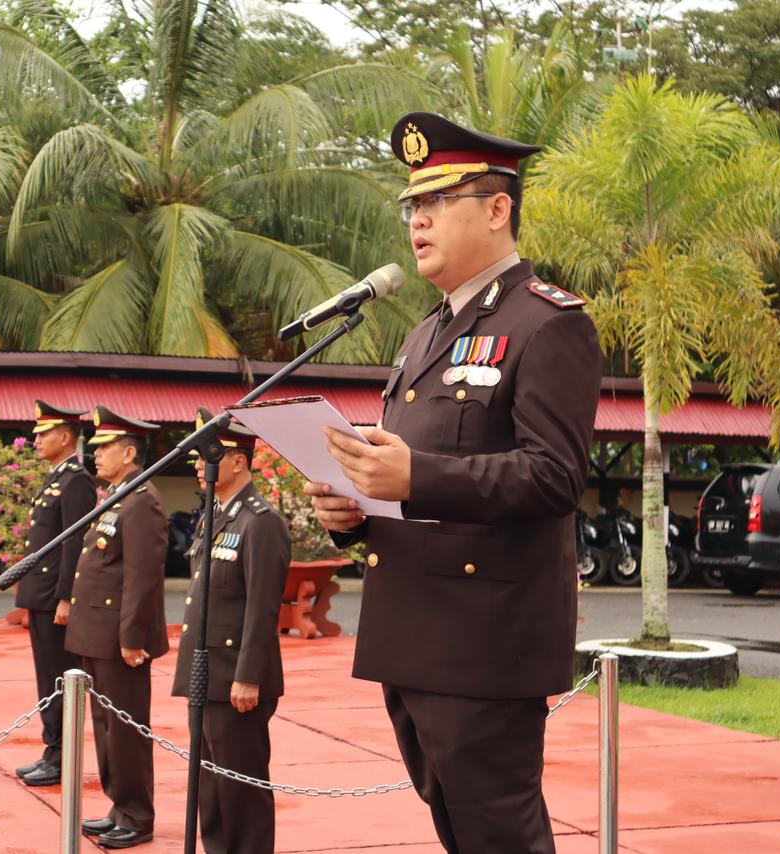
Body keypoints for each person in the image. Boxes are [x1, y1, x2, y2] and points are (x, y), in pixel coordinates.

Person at [305, 112, 602, 853]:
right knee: (461, 835)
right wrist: (357, 509)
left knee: (501, 837)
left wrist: (414, 475)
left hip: (484, 642)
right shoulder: (425, 332)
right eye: (412, 205)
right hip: (413, 633)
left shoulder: (548, 324)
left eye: (439, 200)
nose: (419, 219)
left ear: (498, 209)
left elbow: (554, 476)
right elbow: (415, 480)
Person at [172, 408, 290, 854]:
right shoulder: (215, 516)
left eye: (206, 457)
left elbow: (262, 609)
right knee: (211, 787)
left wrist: (249, 676)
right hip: (206, 674)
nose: (200, 465)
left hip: (236, 678)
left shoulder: (261, 522)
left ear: (238, 460)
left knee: (241, 788)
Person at [67, 405, 169, 850]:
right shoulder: (115, 494)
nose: (95, 455)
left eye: (104, 447)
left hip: (118, 638)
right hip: (97, 633)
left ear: (129, 452)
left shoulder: (141, 499)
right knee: (106, 727)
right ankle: (118, 807)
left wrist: (132, 637)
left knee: (125, 730)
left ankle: (137, 815)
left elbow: (142, 576)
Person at [11, 400, 98, 787]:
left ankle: (62, 756)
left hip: (54, 596)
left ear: (65, 437)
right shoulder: (56, 476)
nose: (37, 441)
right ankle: (52, 750)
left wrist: (66, 596)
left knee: (59, 678)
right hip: (41, 592)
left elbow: (74, 541)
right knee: (47, 679)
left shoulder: (76, 480)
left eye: (43, 434)